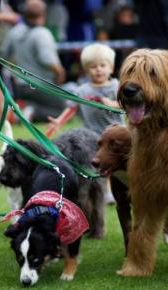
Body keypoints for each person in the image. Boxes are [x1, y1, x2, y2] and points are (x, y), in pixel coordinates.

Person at [47, 43, 122, 204]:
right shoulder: (82, 91)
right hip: (92, 135)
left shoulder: (117, 87)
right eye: (93, 67)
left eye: (103, 65)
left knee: (116, 165)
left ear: (111, 67)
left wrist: (112, 104)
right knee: (97, 165)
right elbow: (71, 108)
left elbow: (125, 105)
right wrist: (58, 121)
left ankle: (118, 190)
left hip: (115, 134)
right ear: (86, 70)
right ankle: (105, 191)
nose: (98, 70)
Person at [1, 0, 66, 122]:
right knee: (61, 109)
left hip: (19, 86)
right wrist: (60, 71)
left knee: (47, 101)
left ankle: (22, 108)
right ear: (43, 14)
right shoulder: (43, 33)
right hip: (40, 84)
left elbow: (4, 55)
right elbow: (47, 60)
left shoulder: (15, 31)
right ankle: (32, 112)